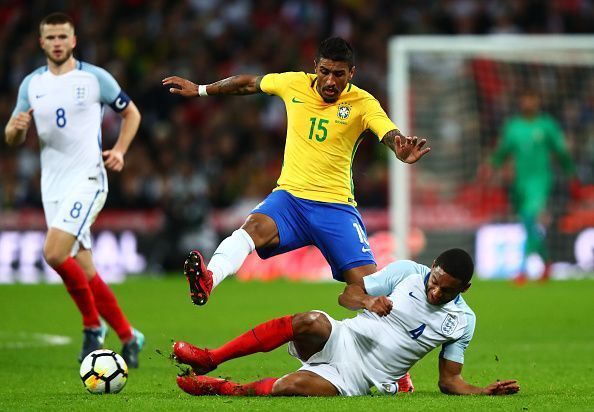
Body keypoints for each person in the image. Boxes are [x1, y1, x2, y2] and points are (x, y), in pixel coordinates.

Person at [162, 37, 430, 307]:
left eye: (339, 74)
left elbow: (388, 132)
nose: (329, 81)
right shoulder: (294, 83)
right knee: (250, 229)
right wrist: (201, 89)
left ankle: (413, 320)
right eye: (324, 72)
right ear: (315, 67)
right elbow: (247, 83)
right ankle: (209, 278)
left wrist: (399, 149)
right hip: (290, 199)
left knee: (369, 288)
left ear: (351, 73)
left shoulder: (363, 103)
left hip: (335, 207)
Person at [173, 248, 520, 397]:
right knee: (308, 320)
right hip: (344, 337)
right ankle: (210, 358)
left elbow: (449, 380)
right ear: (432, 267)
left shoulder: (462, 321)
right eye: (434, 280)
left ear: (465, 289)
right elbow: (346, 296)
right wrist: (369, 301)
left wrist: (481, 391)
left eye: (446, 290)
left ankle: (221, 387)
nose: (434, 291)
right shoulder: (406, 273)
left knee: (290, 388)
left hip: (357, 377)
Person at [4, 13, 144, 366]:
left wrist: (121, 151)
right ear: (41, 42)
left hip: (88, 180)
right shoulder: (31, 85)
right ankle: (129, 335)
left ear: (73, 40)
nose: (56, 42)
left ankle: (91, 326)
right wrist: (17, 128)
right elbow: (12, 136)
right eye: (50, 37)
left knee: (53, 253)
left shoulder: (94, 78)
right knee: (84, 267)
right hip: (52, 186)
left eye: (62, 36)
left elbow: (133, 114)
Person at [489, 89, 578, 283]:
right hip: (519, 183)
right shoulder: (513, 127)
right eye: (525, 98)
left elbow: (561, 150)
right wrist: (491, 167)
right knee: (528, 223)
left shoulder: (547, 125)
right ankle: (546, 263)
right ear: (520, 102)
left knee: (530, 217)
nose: (528, 102)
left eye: (532, 98)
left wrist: (570, 171)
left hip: (541, 180)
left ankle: (522, 270)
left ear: (538, 101)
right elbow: (502, 152)